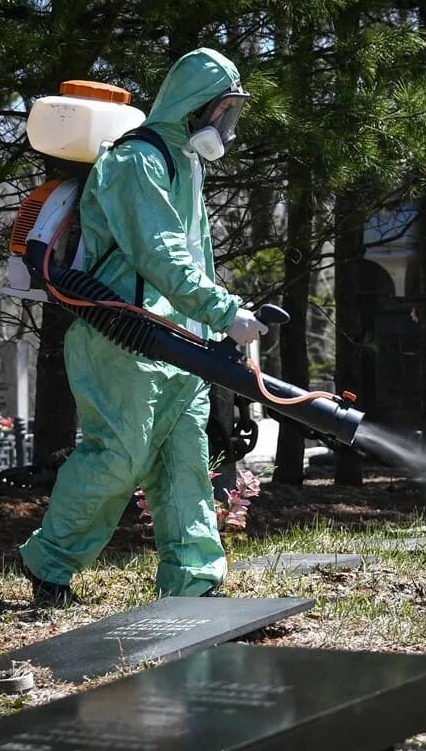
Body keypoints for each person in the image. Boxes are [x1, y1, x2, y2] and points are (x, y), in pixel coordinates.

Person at [18, 48, 267, 604]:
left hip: (179, 342)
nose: (227, 127)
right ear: (195, 106)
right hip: (121, 337)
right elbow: (161, 255)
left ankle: (194, 582)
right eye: (223, 112)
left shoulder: (185, 163)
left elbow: (195, 258)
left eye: (233, 115)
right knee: (118, 458)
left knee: (185, 465)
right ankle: (48, 563)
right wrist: (224, 311)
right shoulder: (136, 163)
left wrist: (214, 327)